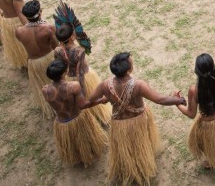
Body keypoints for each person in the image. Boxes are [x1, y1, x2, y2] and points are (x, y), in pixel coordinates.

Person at [88, 52, 186, 186]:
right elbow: (160, 99)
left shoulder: (105, 85)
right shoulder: (138, 85)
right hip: (138, 121)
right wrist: (180, 100)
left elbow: (92, 99)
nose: (132, 61)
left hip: (119, 125)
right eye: (131, 61)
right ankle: (141, 167)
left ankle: (129, 167)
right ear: (129, 69)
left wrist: (104, 99)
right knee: (140, 145)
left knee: (126, 149)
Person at [42, 59, 108, 167]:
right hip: (78, 118)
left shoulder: (45, 90)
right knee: (84, 140)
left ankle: (77, 155)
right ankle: (87, 153)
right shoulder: (73, 86)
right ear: (64, 73)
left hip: (62, 123)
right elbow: (82, 105)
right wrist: (101, 100)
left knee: (72, 143)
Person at [54, 22, 111, 126]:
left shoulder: (57, 50)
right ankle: (100, 116)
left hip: (68, 79)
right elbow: (79, 73)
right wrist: (82, 90)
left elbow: (59, 66)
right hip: (84, 78)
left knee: (78, 102)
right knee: (89, 96)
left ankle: (91, 115)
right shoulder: (79, 51)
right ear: (72, 37)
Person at [15, 0, 58, 118]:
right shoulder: (48, 28)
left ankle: (49, 106)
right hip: (49, 60)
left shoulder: (19, 31)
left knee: (42, 86)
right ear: (40, 12)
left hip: (33, 63)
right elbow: (56, 47)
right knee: (55, 83)